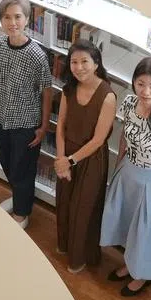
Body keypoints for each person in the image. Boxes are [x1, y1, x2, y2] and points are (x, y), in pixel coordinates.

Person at [100, 56, 151, 296]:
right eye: (140, 84)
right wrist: (119, 168)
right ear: (134, 83)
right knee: (129, 225)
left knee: (147, 232)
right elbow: (125, 136)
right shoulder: (128, 103)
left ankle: (144, 276)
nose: (146, 91)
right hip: (129, 173)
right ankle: (130, 264)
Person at [0, 0, 54, 229]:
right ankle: (19, 199)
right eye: (7, 17)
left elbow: (47, 90)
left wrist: (44, 126)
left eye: (17, 17)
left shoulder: (37, 55)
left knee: (22, 169)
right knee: (6, 162)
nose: (12, 22)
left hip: (25, 123)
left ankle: (22, 211)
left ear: (27, 20)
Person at [54, 39, 117, 274]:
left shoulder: (107, 96)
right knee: (64, 202)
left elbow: (98, 140)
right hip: (66, 156)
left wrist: (69, 161)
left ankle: (80, 257)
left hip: (90, 160)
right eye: (74, 62)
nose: (79, 67)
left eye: (84, 62)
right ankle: (64, 245)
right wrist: (61, 159)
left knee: (84, 208)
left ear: (96, 64)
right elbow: (60, 124)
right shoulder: (68, 89)